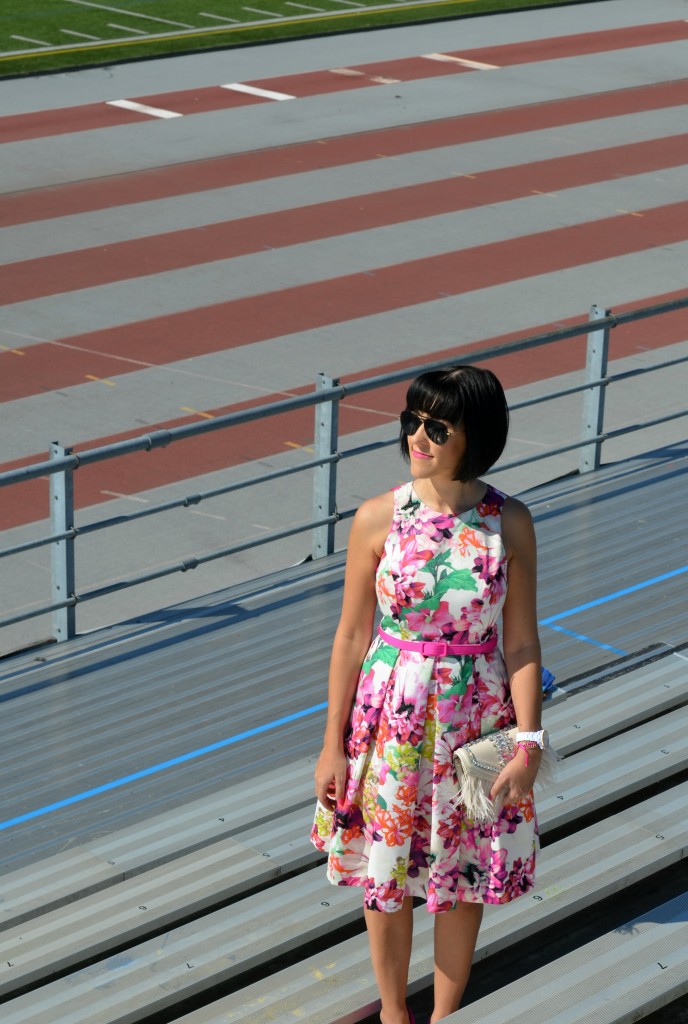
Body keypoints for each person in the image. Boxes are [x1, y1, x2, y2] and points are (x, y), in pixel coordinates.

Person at [311, 364, 544, 1024]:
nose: (418, 434)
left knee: (461, 875)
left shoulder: (511, 523)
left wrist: (528, 742)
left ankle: (444, 1015)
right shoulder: (377, 518)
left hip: (478, 720)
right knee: (384, 874)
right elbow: (353, 636)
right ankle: (393, 1014)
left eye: (436, 425)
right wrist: (331, 746)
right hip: (390, 720)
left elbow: (522, 644)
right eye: (412, 419)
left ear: (477, 434)